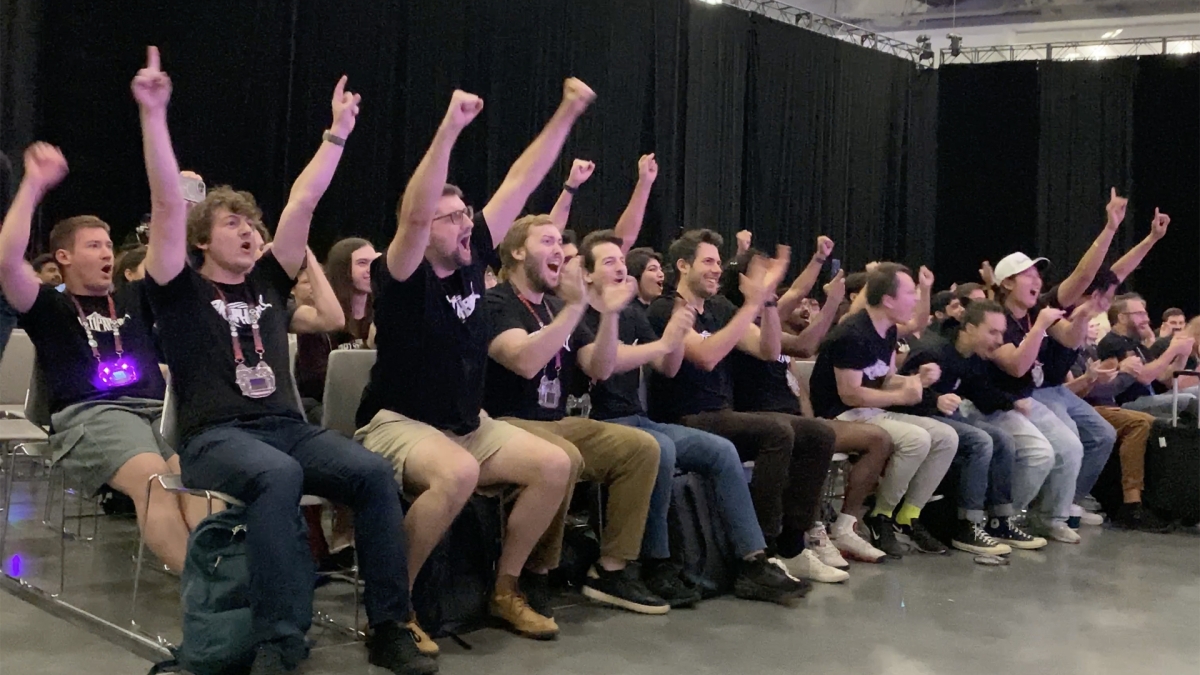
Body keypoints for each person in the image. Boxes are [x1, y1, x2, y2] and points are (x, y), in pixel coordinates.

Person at [134, 49, 433, 675]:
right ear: (200, 239)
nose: (249, 230)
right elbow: (167, 205)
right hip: (214, 436)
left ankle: (389, 626)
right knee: (276, 477)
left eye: (253, 222)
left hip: (284, 428)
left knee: (373, 475)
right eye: (232, 223)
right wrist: (155, 115)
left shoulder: (268, 283)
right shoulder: (177, 287)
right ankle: (280, 640)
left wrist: (336, 136)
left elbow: (302, 205)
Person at [356, 82, 595, 641]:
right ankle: (396, 607)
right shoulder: (403, 275)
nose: (466, 223)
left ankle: (504, 589)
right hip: (397, 422)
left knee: (554, 465)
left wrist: (565, 113)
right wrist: (449, 129)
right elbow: (415, 218)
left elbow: (521, 179)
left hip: (469, 425)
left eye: (465, 213)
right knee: (457, 474)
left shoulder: (471, 258)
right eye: (450, 217)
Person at [0, 143, 202, 574]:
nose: (108, 253)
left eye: (109, 245)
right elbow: (6, 260)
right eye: (94, 246)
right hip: (91, 414)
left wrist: (177, 199)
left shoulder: (133, 295)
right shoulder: (47, 304)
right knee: (155, 482)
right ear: (64, 257)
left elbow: (168, 246)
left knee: (198, 481)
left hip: (154, 411)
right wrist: (33, 185)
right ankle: (205, 591)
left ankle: (217, 575)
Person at [578, 228, 811, 601]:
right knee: (661, 449)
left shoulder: (636, 314)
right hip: (600, 420)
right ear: (586, 273)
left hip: (639, 418)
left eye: (623, 261)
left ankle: (753, 558)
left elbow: (668, 367)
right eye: (610, 261)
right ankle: (658, 563)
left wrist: (674, 338)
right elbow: (603, 366)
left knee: (721, 450)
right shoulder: (579, 314)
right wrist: (671, 337)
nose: (621, 267)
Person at [485, 213, 668, 615]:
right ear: (517, 252)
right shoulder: (496, 302)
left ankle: (611, 570)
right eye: (546, 242)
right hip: (503, 422)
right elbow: (524, 361)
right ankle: (536, 571)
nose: (559, 252)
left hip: (555, 421)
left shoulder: (555, 306)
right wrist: (578, 305)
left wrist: (611, 314)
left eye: (559, 243)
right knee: (564, 458)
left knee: (641, 447)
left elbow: (599, 367)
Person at [647, 229, 839, 581]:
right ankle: (763, 547)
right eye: (708, 261)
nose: (717, 269)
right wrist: (751, 304)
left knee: (818, 433)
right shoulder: (666, 309)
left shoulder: (719, 307)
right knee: (777, 432)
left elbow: (767, 349)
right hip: (683, 417)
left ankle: (794, 543)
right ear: (682, 265)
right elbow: (705, 356)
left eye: (719, 262)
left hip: (722, 415)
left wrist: (766, 302)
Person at [724, 243, 895, 570]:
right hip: (763, 417)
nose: (773, 279)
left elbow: (804, 345)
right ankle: (802, 535)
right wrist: (816, 263)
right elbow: (791, 305)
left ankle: (843, 526)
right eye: (764, 272)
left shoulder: (771, 320)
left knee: (876, 439)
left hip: (791, 416)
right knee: (808, 438)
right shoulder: (739, 320)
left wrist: (830, 296)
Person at [809, 263, 959, 556]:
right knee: (917, 438)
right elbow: (850, 394)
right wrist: (903, 395)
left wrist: (915, 380)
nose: (915, 299)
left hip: (870, 411)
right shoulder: (852, 333)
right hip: (840, 414)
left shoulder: (887, 331)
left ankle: (906, 515)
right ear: (888, 300)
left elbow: (885, 378)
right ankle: (880, 516)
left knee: (946, 437)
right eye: (909, 293)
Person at [896, 300, 1048, 554]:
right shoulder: (934, 351)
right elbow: (897, 393)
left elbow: (980, 392)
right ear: (968, 328)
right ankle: (968, 524)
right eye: (993, 332)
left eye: (1001, 333)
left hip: (940, 417)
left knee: (1003, 439)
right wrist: (935, 399)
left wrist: (1011, 401)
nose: (999, 340)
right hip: (914, 417)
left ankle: (999, 521)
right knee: (980, 441)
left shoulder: (972, 358)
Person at [1065, 351, 1168, 532]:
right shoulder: (1069, 353)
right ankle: (1131, 502)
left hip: (1108, 406)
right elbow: (1079, 393)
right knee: (1138, 423)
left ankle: (1154, 497)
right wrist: (1123, 372)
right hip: (1088, 406)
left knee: (1156, 424)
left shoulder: (1088, 350)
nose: (1092, 325)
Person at [293, 239, 371, 423]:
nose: (371, 269)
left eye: (374, 262)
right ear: (342, 270)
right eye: (362, 263)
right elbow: (314, 382)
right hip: (326, 404)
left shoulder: (384, 314)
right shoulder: (319, 319)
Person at [1099, 293, 1197, 418]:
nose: (1146, 319)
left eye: (1145, 314)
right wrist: (1172, 350)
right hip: (1128, 403)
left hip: (1150, 398)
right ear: (1122, 318)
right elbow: (1144, 377)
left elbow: (1167, 378)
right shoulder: (1112, 342)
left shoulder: (1136, 344)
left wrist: (1183, 354)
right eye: (1140, 314)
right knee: (1190, 400)